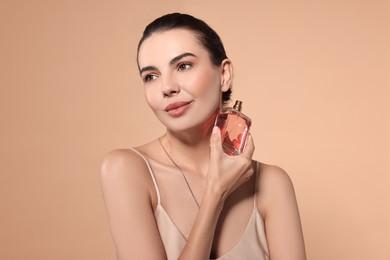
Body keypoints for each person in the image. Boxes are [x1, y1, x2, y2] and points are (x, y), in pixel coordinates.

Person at [100, 13, 306, 260]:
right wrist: (215, 193)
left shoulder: (272, 184)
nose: (167, 87)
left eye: (183, 66)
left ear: (225, 75)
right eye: (151, 76)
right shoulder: (126, 169)